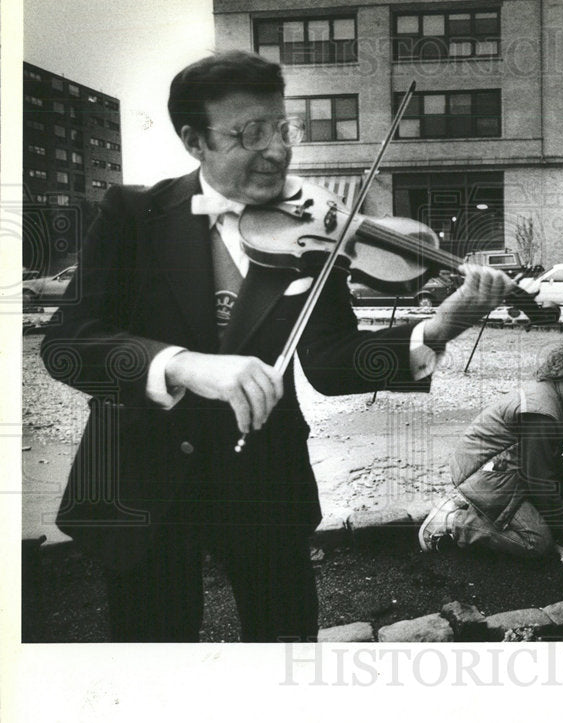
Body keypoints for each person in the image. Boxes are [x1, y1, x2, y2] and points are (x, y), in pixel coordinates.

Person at [40, 51, 514, 642]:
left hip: (264, 488)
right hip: (141, 484)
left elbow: (331, 362)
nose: (278, 150)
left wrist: (440, 327)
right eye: (248, 134)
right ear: (195, 141)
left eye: (283, 129)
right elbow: (67, 341)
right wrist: (184, 366)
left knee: (283, 649)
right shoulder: (132, 214)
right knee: (154, 661)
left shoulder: (315, 230)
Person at [418, 341, 563, 559]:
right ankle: (454, 523)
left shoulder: (554, 395)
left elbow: (550, 459)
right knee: (537, 542)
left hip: (498, 468)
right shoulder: (545, 411)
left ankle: (476, 509)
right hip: (481, 476)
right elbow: (538, 478)